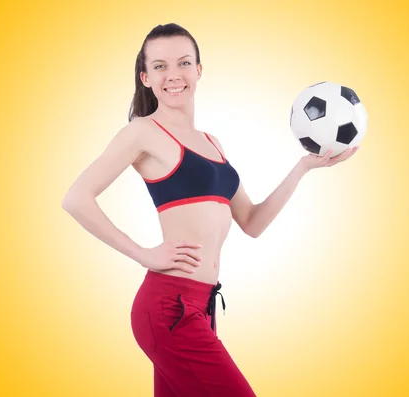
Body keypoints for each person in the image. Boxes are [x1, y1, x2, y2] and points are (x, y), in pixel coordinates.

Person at [61, 23, 358, 397]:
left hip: (199, 308)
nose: (173, 75)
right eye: (160, 66)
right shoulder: (142, 133)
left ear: (198, 70)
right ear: (146, 77)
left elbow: (251, 221)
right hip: (169, 308)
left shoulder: (212, 143)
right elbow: (76, 198)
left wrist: (302, 168)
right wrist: (142, 254)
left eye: (183, 63)